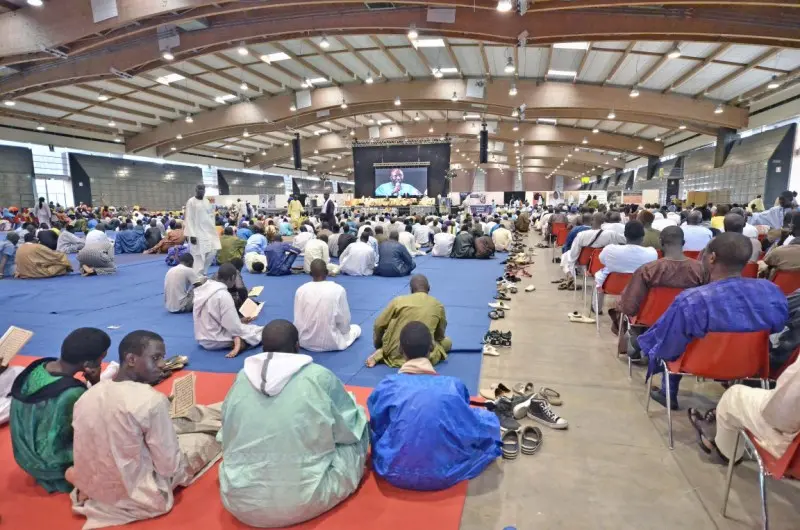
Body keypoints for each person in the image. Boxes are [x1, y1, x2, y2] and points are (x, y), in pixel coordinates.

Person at [219, 320, 368, 527]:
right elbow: (349, 431)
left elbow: (225, 435)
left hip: (240, 502)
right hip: (304, 501)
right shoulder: (317, 376)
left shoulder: (241, 379)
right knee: (358, 423)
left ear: (263, 349)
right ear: (297, 346)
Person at [69, 330, 222, 528]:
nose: (161, 364)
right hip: (140, 496)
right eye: (156, 358)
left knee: (184, 419)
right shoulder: (150, 400)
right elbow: (169, 466)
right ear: (131, 359)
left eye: (163, 358)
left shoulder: (86, 396)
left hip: (98, 491)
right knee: (207, 437)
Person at [640, 233, 788, 410]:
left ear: (711, 257)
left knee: (673, 342)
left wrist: (646, 345)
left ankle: (668, 393)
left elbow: (668, 345)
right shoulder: (772, 292)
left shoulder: (692, 299)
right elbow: (777, 328)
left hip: (697, 364)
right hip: (751, 364)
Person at [368, 322, 501, 490]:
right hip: (443, 473)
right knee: (486, 421)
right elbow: (467, 428)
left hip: (392, 470)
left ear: (400, 350)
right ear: (431, 348)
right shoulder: (453, 386)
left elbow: (377, 427)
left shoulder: (387, 386)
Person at [10, 328, 110, 492]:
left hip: (23, 455)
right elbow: (99, 417)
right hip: (49, 465)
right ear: (87, 364)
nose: (101, 361)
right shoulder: (72, 393)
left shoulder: (39, 366)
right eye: (102, 357)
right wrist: (96, 383)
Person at [609, 226, 706, 359]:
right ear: (683, 243)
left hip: (649, 319)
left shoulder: (648, 270)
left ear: (661, 243)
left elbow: (630, 306)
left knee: (621, 305)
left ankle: (638, 341)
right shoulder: (701, 270)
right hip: (686, 321)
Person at [366, 275, 451, 368]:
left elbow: (378, 324)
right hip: (424, 356)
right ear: (429, 288)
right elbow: (439, 336)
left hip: (396, 353)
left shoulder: (398, 301)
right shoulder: (438, 305)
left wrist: (379, 345)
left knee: (393, 338)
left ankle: (381, 352)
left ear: (411, 290)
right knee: (447, 342)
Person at [193, 263, 264, 358]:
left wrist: (241, 320)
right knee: (259, 332)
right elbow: (233, 326)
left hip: (202, 337)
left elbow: (215, 317)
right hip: (216, 339)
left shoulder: (202, 290)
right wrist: (240, 330)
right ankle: (239, 344)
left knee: (246, 327)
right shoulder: (223, 295)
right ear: (233, 277)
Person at [294, 259, 361, 351]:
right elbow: (344, 322)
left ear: (310, 274)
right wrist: (343, 332)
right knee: (357, 329)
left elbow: (298, 319)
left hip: (305, 342)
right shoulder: (338, 289)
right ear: (327, 272)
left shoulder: (300, 290)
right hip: (332, 342)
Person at [184, 183, 221, 276]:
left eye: (203, 189)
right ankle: (197, 276)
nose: (201, 191)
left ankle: (204, 272)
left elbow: (210, 216)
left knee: (213, 250)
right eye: (199, 189)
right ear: (196, 190)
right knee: (198, 256)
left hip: (208, 232)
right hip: (196, 232)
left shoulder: (207, 201)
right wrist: (191, 235)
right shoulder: (191, 202)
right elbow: (188, 218)